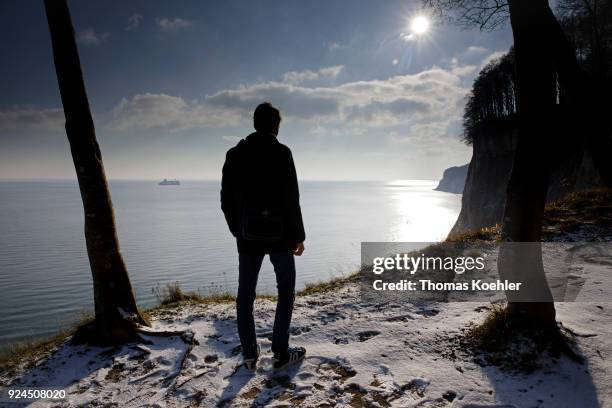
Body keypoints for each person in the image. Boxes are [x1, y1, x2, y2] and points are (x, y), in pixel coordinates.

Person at [221, 102, 306, 370]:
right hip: (280, 236)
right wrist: (298, 236)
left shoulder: (235, 154)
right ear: (276, 125)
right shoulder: (282, 153)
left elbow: (226, 199)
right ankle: (281, 353)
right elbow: (292, 198)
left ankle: (249, 356)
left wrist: (238, 230)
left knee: (245, 296)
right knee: (286, 291)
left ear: (255, 123)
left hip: (247, 238)